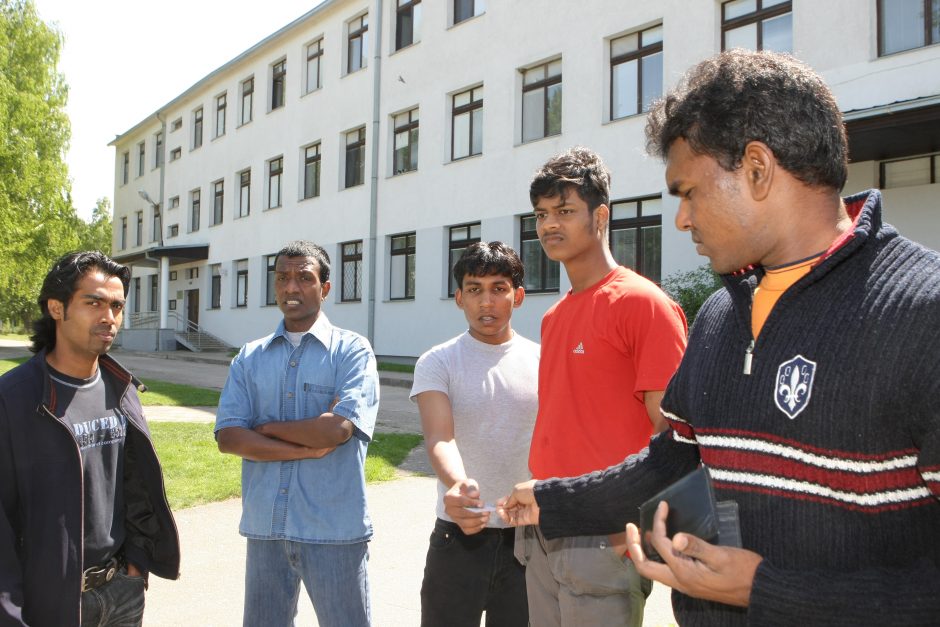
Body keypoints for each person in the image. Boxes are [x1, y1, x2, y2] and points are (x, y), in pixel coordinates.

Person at [499, 50, 940, 626]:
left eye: (688, 192)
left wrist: (767, 590)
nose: (681, 219)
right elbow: (675, 460)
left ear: (757, 169)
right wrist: (555, 499)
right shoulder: (718, 316)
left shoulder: (922, 314)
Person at [518, 147, 688, 627]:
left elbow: (672, 436)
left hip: (606, 532)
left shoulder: (643, 304)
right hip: (544, 527)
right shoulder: (554, 316)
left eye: (565, 211)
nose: (550, 224)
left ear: (600, 215)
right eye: (542, 214)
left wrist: (629, 520)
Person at [0, 251, 181, 627]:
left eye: (116, 306)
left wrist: (136, 565)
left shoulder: (122, 389)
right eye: (93, 302)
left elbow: (133, 486)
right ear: (56, 307)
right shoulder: (13, 400)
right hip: (50, 603)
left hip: (122, 592)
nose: (108, 317)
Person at [215, 240, 379, 627]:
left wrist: (265, 428)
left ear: (324, 288)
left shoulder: (352, 352)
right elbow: (229, 438)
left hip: (334, 531)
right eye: (283, 278)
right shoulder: (249, 357)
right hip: (266, 529)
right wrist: (304, 446)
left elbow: (337, 430)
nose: (292, 288)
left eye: (304, 278)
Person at [411, 242, 539, 627]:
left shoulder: (545, 361)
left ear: (517, 296)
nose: (487, 302)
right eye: (474, 289)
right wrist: (458, 484)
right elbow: (440, 436)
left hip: (527, 540)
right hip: (458, 534)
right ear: (458, 298)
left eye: (499, 288)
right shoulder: (438, 361)